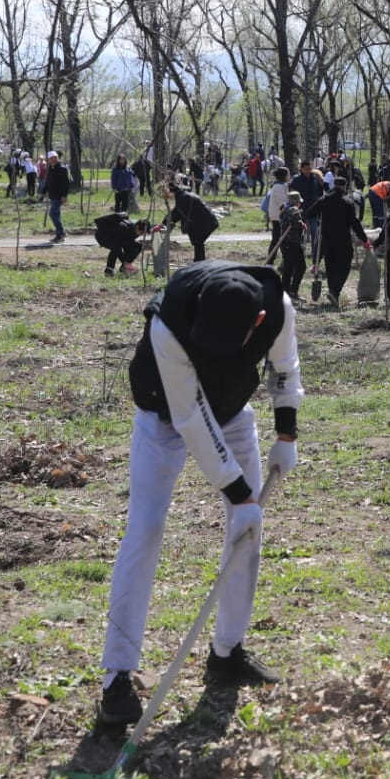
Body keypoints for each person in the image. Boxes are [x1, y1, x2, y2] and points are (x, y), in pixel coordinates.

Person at [96, 259, 303, 727]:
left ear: (258, 321)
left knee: (247, 533)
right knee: (145, 530)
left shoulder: (278, 307)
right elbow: (189, 416)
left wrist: (286, 432)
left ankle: (227, 652)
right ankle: (117, 677)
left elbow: (285, 367)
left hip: (231, 411)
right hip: (162, 414)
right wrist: (240, 493)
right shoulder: (169, 321)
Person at [304, 176, 371, 305]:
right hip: (342, 239)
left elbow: (310, 213)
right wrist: (364, 239)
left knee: (331, 266)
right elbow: (354, 222)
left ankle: (333, 292)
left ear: (334, 185)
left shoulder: (324, 199)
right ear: (344, 186)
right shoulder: (347, 202)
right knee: (344, 265)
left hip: (327, 239)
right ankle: (334, 291)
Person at [273, 196, 308, 300]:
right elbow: (294, 222)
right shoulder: (294, 210)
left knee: (288, 267)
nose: (300, 204)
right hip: (292, 243)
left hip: (285, 243)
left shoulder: (285, 208)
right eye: (299, 202)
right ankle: (293, 291)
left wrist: (300, 223)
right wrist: (300, 224)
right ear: (296, 202)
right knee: (301, 267)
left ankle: (285, 291)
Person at [94, 212, 149, 276]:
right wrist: (124, 261)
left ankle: (124, 268)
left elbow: (128, 246)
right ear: (137, 227)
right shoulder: (124, 228)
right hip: (102, 236)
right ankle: (109, 271)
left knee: (139, 246)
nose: (141, 235)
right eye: (141, 232)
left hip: (115, 237)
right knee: (116, 247)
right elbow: (118, 248)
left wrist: (127, 262)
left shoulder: (133, 230)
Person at [44, 150, 71, 243]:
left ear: (57, 158)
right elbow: (48, 182)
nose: (53, 160)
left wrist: (64, 195)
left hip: (59, 196)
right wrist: (42, 193)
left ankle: (61, 233)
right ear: (48, 160)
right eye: (51, 158)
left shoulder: (62, 169)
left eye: (55, 158)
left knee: (52, 214)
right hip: (52, 195)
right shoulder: (50, 169)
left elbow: (66, 183)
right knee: (56, 215)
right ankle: (59, 234)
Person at [265, 167, 291, 256]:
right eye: (288, 174)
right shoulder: (279, 187)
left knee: (279, 238)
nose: (289, 176)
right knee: (277, 238)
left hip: (277, 215)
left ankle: (280, 258)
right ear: (284, 176)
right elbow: (282, 203)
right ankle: (271, 259)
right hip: (278, 216)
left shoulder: (280, 185)